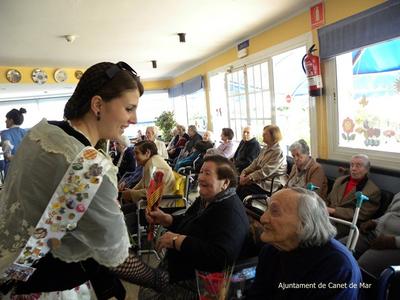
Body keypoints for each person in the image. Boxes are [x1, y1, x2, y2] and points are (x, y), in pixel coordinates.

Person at [0, 62, 170, 299]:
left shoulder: (43, 133)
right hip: (54, 286)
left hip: (16, 273)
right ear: (98, 105)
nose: (134, 119)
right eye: (129, 108)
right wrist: (157, 278)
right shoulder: (91, 167)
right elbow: (116, 256)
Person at [138, 155, 250, 299]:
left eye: (207, 173)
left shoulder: (229, 212)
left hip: (198, 283)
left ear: (225, 183)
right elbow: (189, 221)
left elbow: (220, 257)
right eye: (201, 172)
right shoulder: (208, 199)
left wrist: (178, 241)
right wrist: (167, 219)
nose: (200, 177)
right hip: (181, 267)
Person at [247, 188, 361, 300]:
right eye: (267, 210)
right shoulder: (271, 250)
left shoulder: (338, 267)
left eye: (275, 211)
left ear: (304, 223)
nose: (263, 218)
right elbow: (257, 294)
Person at [345, 191, 400, 277]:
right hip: (375, 234)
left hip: (394, 245)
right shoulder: (398, 194)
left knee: (363, 265)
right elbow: (389, 215)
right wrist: (374, 222)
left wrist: (393, 241)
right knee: (341, 248)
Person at [325, 154, 381, 238]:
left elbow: (362, 214)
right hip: (327, 218)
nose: (353, 169)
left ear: (366, 170)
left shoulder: (373, 190)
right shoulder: (339, 181)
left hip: (346, 225)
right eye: (352, 165)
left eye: (358, 166)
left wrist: (333, 210)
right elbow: (329, 199)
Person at [236, 125, 287, 200]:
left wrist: (249, 178)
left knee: (243, 189)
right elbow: (255, 163)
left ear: (273, 136)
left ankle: (239, 209)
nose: (262, 135)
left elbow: (266, 171)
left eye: (265, 134)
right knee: (238, 185)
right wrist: (244, 171)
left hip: (270, 184)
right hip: (260, 179)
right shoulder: (266, 147)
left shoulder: (279, 151)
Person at [1, 107, 28, 176]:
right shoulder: (26, 132)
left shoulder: (5, 133)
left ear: (11, 120)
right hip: (26, 168)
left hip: (12, 169)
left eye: (7, 119)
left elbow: (8, 154)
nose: (5, 121)